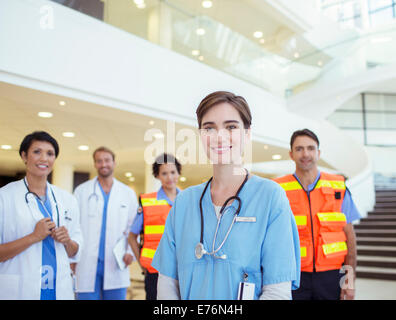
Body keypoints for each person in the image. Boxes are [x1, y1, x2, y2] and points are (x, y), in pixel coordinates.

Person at [151, 91, 300, 300]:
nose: (219, 136)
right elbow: (167, 284)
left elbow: (277, 291)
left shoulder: (270, 198)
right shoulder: (184, 203)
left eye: (231, 127)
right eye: (209, 128)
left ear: (247, 134)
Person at [273, 129, 360, 300]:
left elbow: (350, 238)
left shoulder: (338, 187)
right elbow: (271, 239)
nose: (305, 154)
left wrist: (349, 281)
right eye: (299, 149)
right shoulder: (278, 189)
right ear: (291, 154)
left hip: (331, 276)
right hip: (293, 275)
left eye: (310, 148)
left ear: (318, 153)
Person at [0, 131, 83, 300]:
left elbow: (75, 250)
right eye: (37, 152)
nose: (44, 158)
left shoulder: (67, 200)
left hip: (58, 289)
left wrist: (67, 241)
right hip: (21, 290)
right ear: (24, 156)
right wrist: (33, 236)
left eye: (50, 153)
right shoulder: (4, 197)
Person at [74, 146, 138, 300]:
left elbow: (134, 227)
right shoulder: (81, 191)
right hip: (87, 261)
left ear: (114, 163)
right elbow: (74, 227)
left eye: (107, 160)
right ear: (95, 164)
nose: (103, 164)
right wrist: (72, 257)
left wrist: (130, 252)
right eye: (99, 161)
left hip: (116, 260)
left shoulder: (127, 193)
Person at [128, 153, 182, 300]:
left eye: (173, 172)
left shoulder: (188, 200)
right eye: (164, 173)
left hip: (182, 268)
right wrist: (141, 263)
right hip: (154, 269)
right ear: (157, 176)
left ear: (178, 173)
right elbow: (132, 236)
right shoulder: (147, 201)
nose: (169, 177)